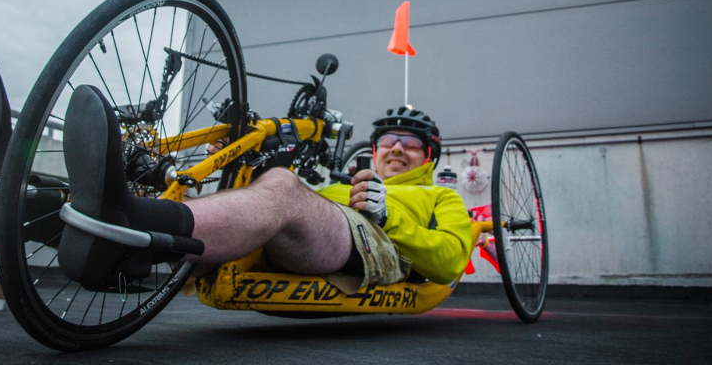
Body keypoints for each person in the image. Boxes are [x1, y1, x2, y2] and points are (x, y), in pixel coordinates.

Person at [57, 84, 474, 294]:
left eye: (411, 143)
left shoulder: (441, 196)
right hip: (315, 232)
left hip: (374, 249)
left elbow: (451, 260)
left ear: (430, 157)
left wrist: (387, 216)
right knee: (258, 188)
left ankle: (123, 219)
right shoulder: (341, 184)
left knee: (284, 188)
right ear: (376, 149)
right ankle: (26, 210)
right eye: (388, 141)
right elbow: (290, 206)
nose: (397, 147)